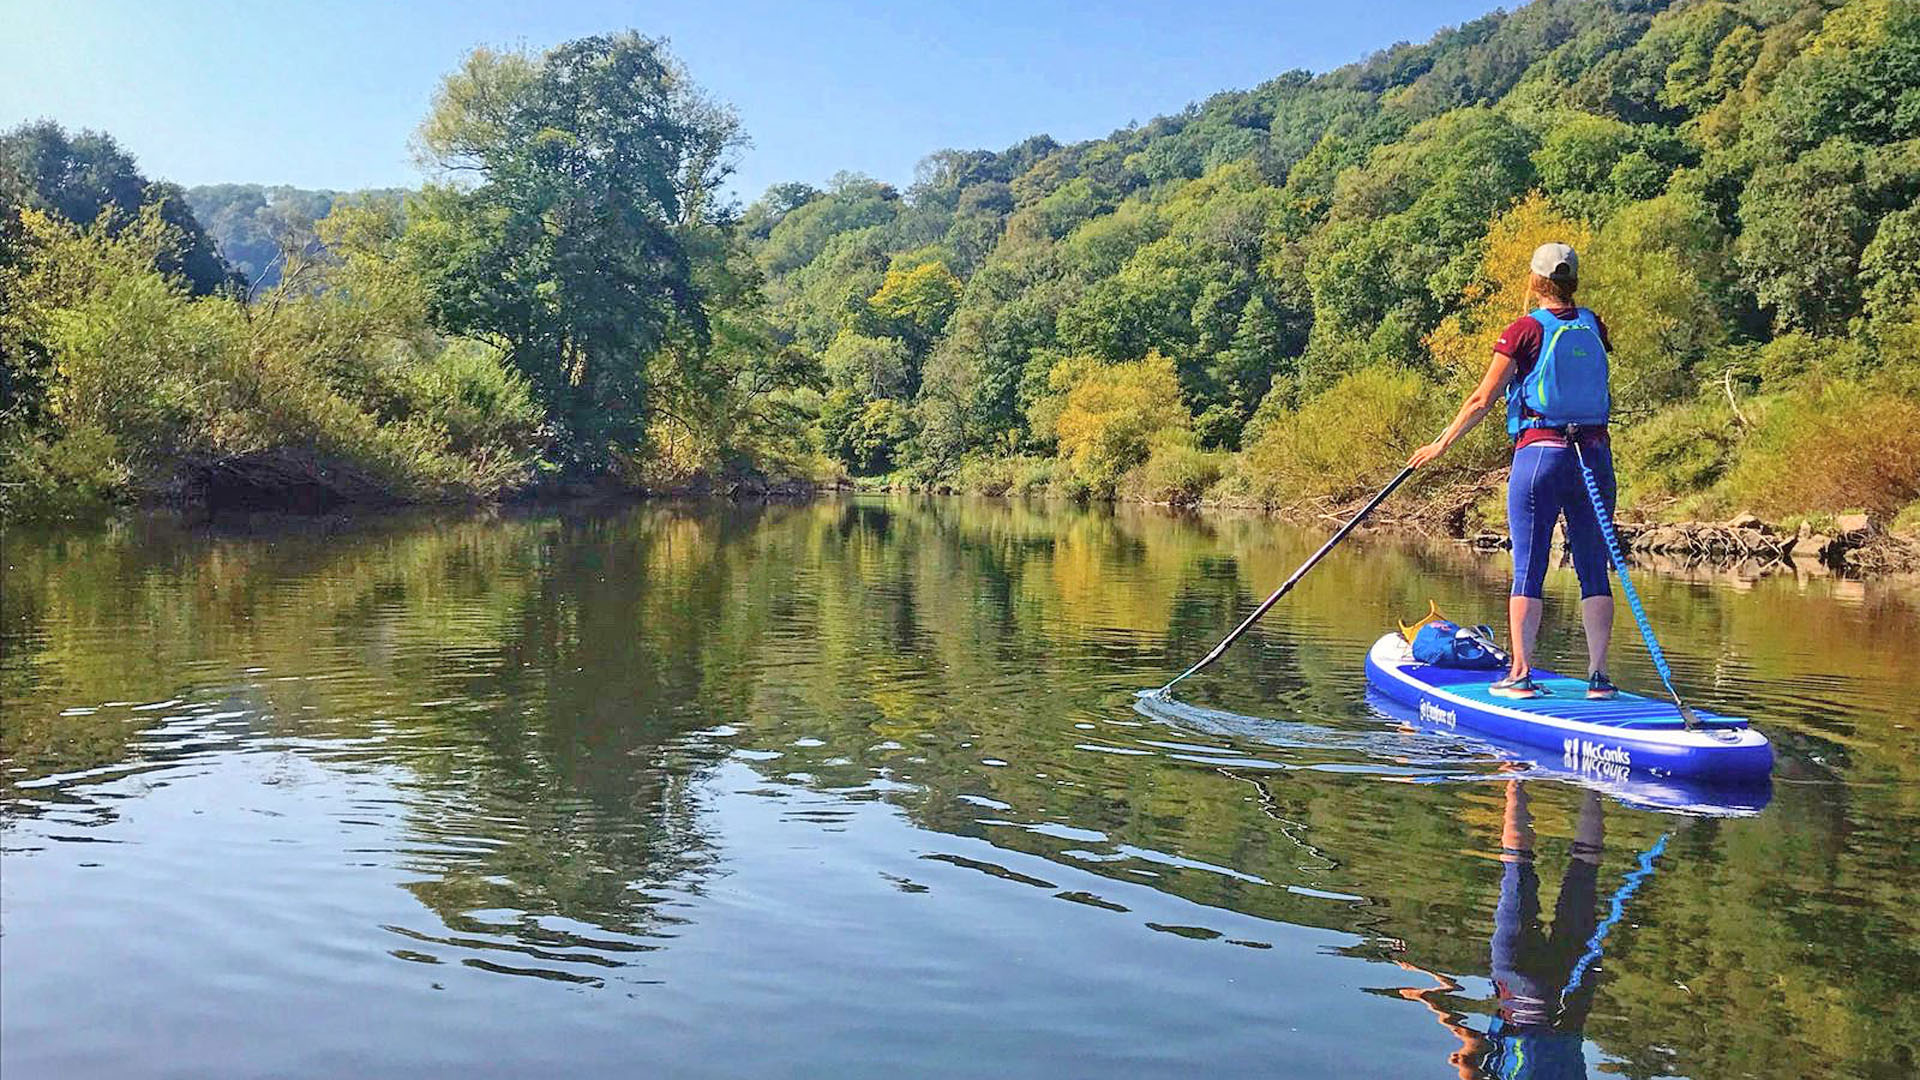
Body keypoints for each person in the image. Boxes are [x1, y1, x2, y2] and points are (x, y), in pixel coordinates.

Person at [1407, 242, 1618, 700]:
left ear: (1535, 281)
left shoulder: (1523, 330)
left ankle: (1520, 674)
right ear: (1573, 282)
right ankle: (1599, 677)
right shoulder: (1593, 324)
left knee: (1528, 568)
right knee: (1593, 567)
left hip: (1541, 455)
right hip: (1594, 456)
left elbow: (1482, 400)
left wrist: (1440, 444)